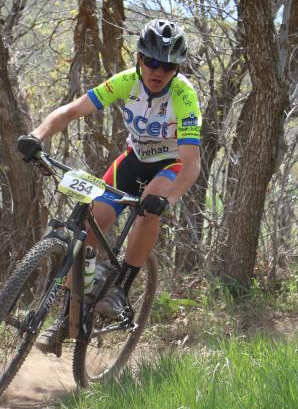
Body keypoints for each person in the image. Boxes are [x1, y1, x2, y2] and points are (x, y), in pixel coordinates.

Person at [17, 19, 201, 355]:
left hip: (169, 165)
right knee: (88, 227)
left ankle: (121, 287)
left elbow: (191, 165)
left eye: (168, 66)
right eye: (152, 62)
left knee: (148, 209)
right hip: (133, 160)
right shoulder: (126, 82)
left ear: (177, 69)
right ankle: (68, 318)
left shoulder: (183, 96)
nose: (158, 71)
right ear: (139, 59)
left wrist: (169, 200)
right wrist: (36, 136)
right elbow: (72, 110)